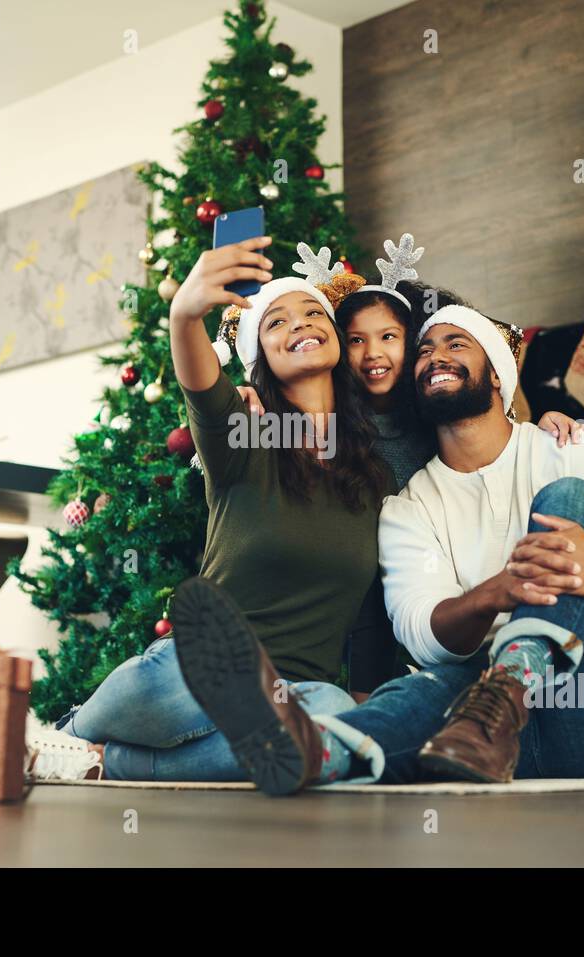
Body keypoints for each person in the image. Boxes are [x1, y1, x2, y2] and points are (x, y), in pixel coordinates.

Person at [172, 301, 584, 794]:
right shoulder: (407, 506)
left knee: (569, 499)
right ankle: (318, 754)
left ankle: (507, 688)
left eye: (457, 343)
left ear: (497, 373)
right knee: (426, 684)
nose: (436, 356)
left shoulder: (570, 450)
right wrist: (495, 593)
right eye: (423, 350)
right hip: (475, 740)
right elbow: (423, 633)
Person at [54, 235, 390, 780]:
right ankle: (71, 739)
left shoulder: (375, 477)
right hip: (201, 671)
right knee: (164, 679)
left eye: (312, 312)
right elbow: (200, 382)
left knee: (337, 722)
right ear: (260, 356)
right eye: (276, 322)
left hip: (295, 695)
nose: (300, 323)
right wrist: (185, 313)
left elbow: (372, 620)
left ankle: (99, 764)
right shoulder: (245, 434)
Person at [235, 235, 584, 698]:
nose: (372, 355)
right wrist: (249, 399)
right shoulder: (336, 430)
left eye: (389, 338)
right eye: (355, 342)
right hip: (372, 591)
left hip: (453, 578)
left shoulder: (435, 412)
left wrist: (544, 421)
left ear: (412, 345)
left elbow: (493, 435)